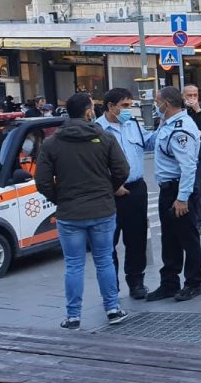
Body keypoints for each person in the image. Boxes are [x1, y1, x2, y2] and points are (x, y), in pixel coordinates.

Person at [35, 93, 131, 329]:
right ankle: (112, 308)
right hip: (102, 209)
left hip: (70, 213)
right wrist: (108, 189)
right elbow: (123, 169)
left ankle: (73, 316)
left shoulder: (52, 142)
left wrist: (60, 198)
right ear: (89, 112)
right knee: (104, 260)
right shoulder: (104, 137)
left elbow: (42, 181)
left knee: (74, 264)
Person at [146, 86, 201, 302]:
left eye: (157, 101)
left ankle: (193, 283)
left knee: (188, 238)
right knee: (169, 239)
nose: (155, 106)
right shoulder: (167, 124)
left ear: (167, 104)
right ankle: (169, 283)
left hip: (179, 190)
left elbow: (188, 166)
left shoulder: (180, 128)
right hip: (167, 190)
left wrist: (182, 198)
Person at [95, 87, 154, 300]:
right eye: (125, 106)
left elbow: (150, 142)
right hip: (109, 193)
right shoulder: (97, 130)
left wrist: (168, 123)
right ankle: (112, 288)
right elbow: (94, 165)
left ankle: (136, 282)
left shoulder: (133, 124)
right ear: (111, 106)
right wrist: (113, 185)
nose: (129, 110)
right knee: (108, 241)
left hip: (135, 190)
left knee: (136, 238)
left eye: (131, 105)